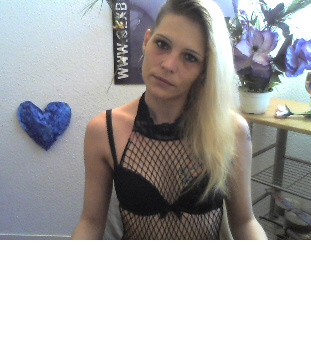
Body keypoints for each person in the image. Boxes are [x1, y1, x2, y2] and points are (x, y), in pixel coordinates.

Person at [72, 0, 267, 239]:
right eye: (162, 44)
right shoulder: (104, 131)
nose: (168, 65)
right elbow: (91, 223)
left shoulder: (232, 130)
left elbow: (245, 222)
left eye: (190, 57)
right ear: (146, 41)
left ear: (204, 70)